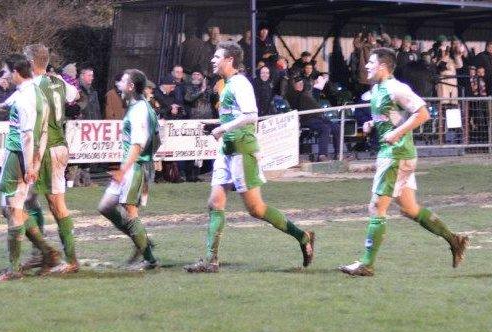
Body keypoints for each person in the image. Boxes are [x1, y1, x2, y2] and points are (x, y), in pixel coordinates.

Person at [184, 42, 315, 273]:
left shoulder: (240, 83)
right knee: (215, 203)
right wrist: (216, 126)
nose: (212, 60)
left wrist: (222, 129)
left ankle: (302, 236)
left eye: (217, 57)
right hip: (227, 149)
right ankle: (210, 260)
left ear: (230, 60)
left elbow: (251, 115)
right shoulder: (226, 84)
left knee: (255, 209)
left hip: (242, 149)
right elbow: (235, 117)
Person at [339, 48, 469, 277]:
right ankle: (454, 240)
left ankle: (366, 263)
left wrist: (397, 133)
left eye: (370, 62)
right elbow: (391, 117)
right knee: (410, 209)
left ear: (383, 66)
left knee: (376, 207)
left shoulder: (396, 87)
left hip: (395, 155)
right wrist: (372, 124)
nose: (367, 66)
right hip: (397, 154)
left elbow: (423, 113)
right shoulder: (379, 88)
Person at [0, 54, 62, 281]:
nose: (4, 76)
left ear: (15, 72)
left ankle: (15, 268)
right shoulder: (36, 94)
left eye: (6, 71)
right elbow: (41, 132)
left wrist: (30, 164)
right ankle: (46, 251)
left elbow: (27, 136)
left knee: (12, 209)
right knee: (15, 208)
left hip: (18, 157)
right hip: (27, 158)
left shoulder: (24, 100)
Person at [19, 43, 80, 274]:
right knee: (28, 199)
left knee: (55, 205)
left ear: (30, 62)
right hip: (59, 145)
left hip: (48, 148)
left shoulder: (33, 86)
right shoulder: (59, 81)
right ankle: (41, 253)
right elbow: (75, 95)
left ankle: (69, 259)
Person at [97, 68, 160, 271]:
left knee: (130, 213)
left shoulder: (140, 109)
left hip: (134, 167)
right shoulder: (139, 107)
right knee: (105, 206)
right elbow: (157, 139)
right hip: (132, 166)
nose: (119, 85)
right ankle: (142, 240)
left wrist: (125, 169)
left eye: (123, 82)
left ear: (131, 87)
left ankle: (150, 259)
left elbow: (137, 145)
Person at [286, 76, 340, 161]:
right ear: (294, 85)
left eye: (301, 84)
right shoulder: (293, 95)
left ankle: (338, 154)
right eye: (298, 84)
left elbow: (313, 90)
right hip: (307, 118)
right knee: (325, 128)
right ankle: (322, 155)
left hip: (319, 117)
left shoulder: (307, 93)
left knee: (337, 127)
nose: (300, 85)